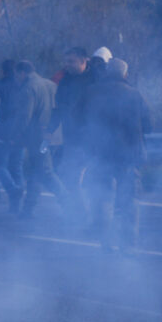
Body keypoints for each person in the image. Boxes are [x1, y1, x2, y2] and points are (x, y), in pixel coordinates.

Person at [77, 58, 152, 252]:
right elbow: (148, 124)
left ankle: (106, 242)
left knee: (103, 197)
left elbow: (77, 118)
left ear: (106, 72)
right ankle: (129, 245)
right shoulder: (134, 94)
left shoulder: (91, 92)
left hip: (100, 153)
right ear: (125, 74)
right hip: (128, 155)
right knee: (129, 200)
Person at [0, 61, 63, 218]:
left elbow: (24, 117)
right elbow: (59, 109)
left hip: (37, 137)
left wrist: (14, 136)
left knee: (46, 173)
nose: (16, 79)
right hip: (53, 135)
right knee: (36, 173)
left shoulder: (28, 88)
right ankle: (28, 209)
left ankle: (71, 205)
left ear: (21, 73)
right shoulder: (50, 84)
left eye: (16, 75)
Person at [50, 47, 96, 223]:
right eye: (66, 61)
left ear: (84, 61)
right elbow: (58, 109)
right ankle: (80, 213)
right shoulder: (65, 81)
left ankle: (96, 216)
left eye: (71, 61)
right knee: (68, 175)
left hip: (95, 138)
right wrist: (49, 130)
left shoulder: (96, 79)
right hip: (72, 138)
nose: (67, 65)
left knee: (97, 179)